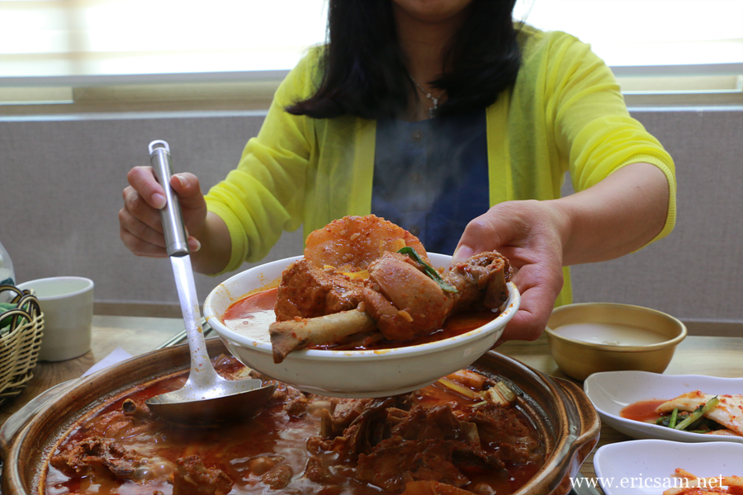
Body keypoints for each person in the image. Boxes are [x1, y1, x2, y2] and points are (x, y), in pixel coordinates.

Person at [119, 0, 676, 344]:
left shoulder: (557, 65)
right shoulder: (320, 75)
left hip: (514, 365)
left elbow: (646, 183)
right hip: (341, 378)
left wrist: (558, 221)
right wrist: (187, 223)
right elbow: (232, 227)